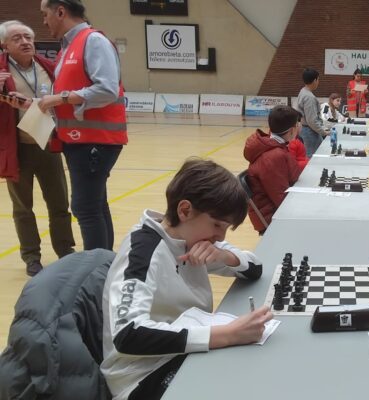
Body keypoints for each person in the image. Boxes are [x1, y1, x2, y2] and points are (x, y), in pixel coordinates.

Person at [101, 159, 274, 400]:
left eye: (226, 228)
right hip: (141, 376)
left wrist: (224, 256)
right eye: (217, 225)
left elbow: (255, 268)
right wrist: (227, 334)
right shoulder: (143, 252)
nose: (220, 236)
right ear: (185, 210)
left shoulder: (191, 238)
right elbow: (127, 335)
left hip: (182, 353)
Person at [38, 0, 128, 251]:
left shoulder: (93, 41)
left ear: (60, 12)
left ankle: (96, 267)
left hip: (94, 141)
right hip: (80, 140)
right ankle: (104, 263)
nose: (43, 21)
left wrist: (60, 98)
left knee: (85, 207)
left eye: (45, 14)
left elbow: (107, 89)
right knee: (95, 205)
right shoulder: (68, 47)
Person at [0, 20, 74, 276]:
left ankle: (66, 252)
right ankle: (31, 257)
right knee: (23, 208)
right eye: (17, 38)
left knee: (59, 204)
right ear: (4, 45)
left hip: (48, 144)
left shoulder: (48, 67)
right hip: (17, 149)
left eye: (28, 37)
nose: (25, 42)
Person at [244, 105, 302, 233]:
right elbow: (281, 198)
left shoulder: (277, 147)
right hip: (272, 217)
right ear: (292, 130)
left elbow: (292, 175)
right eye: (298, 124)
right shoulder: (273, 156)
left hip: (275, 210)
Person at [295, 68, 327, 157]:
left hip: (307, 129)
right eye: (318, 79)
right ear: (314, 80)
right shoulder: (309, 97)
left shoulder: (303, 91)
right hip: (310, 131)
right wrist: (323, 132)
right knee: (313, 156)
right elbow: (311, 120)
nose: (318, 82)